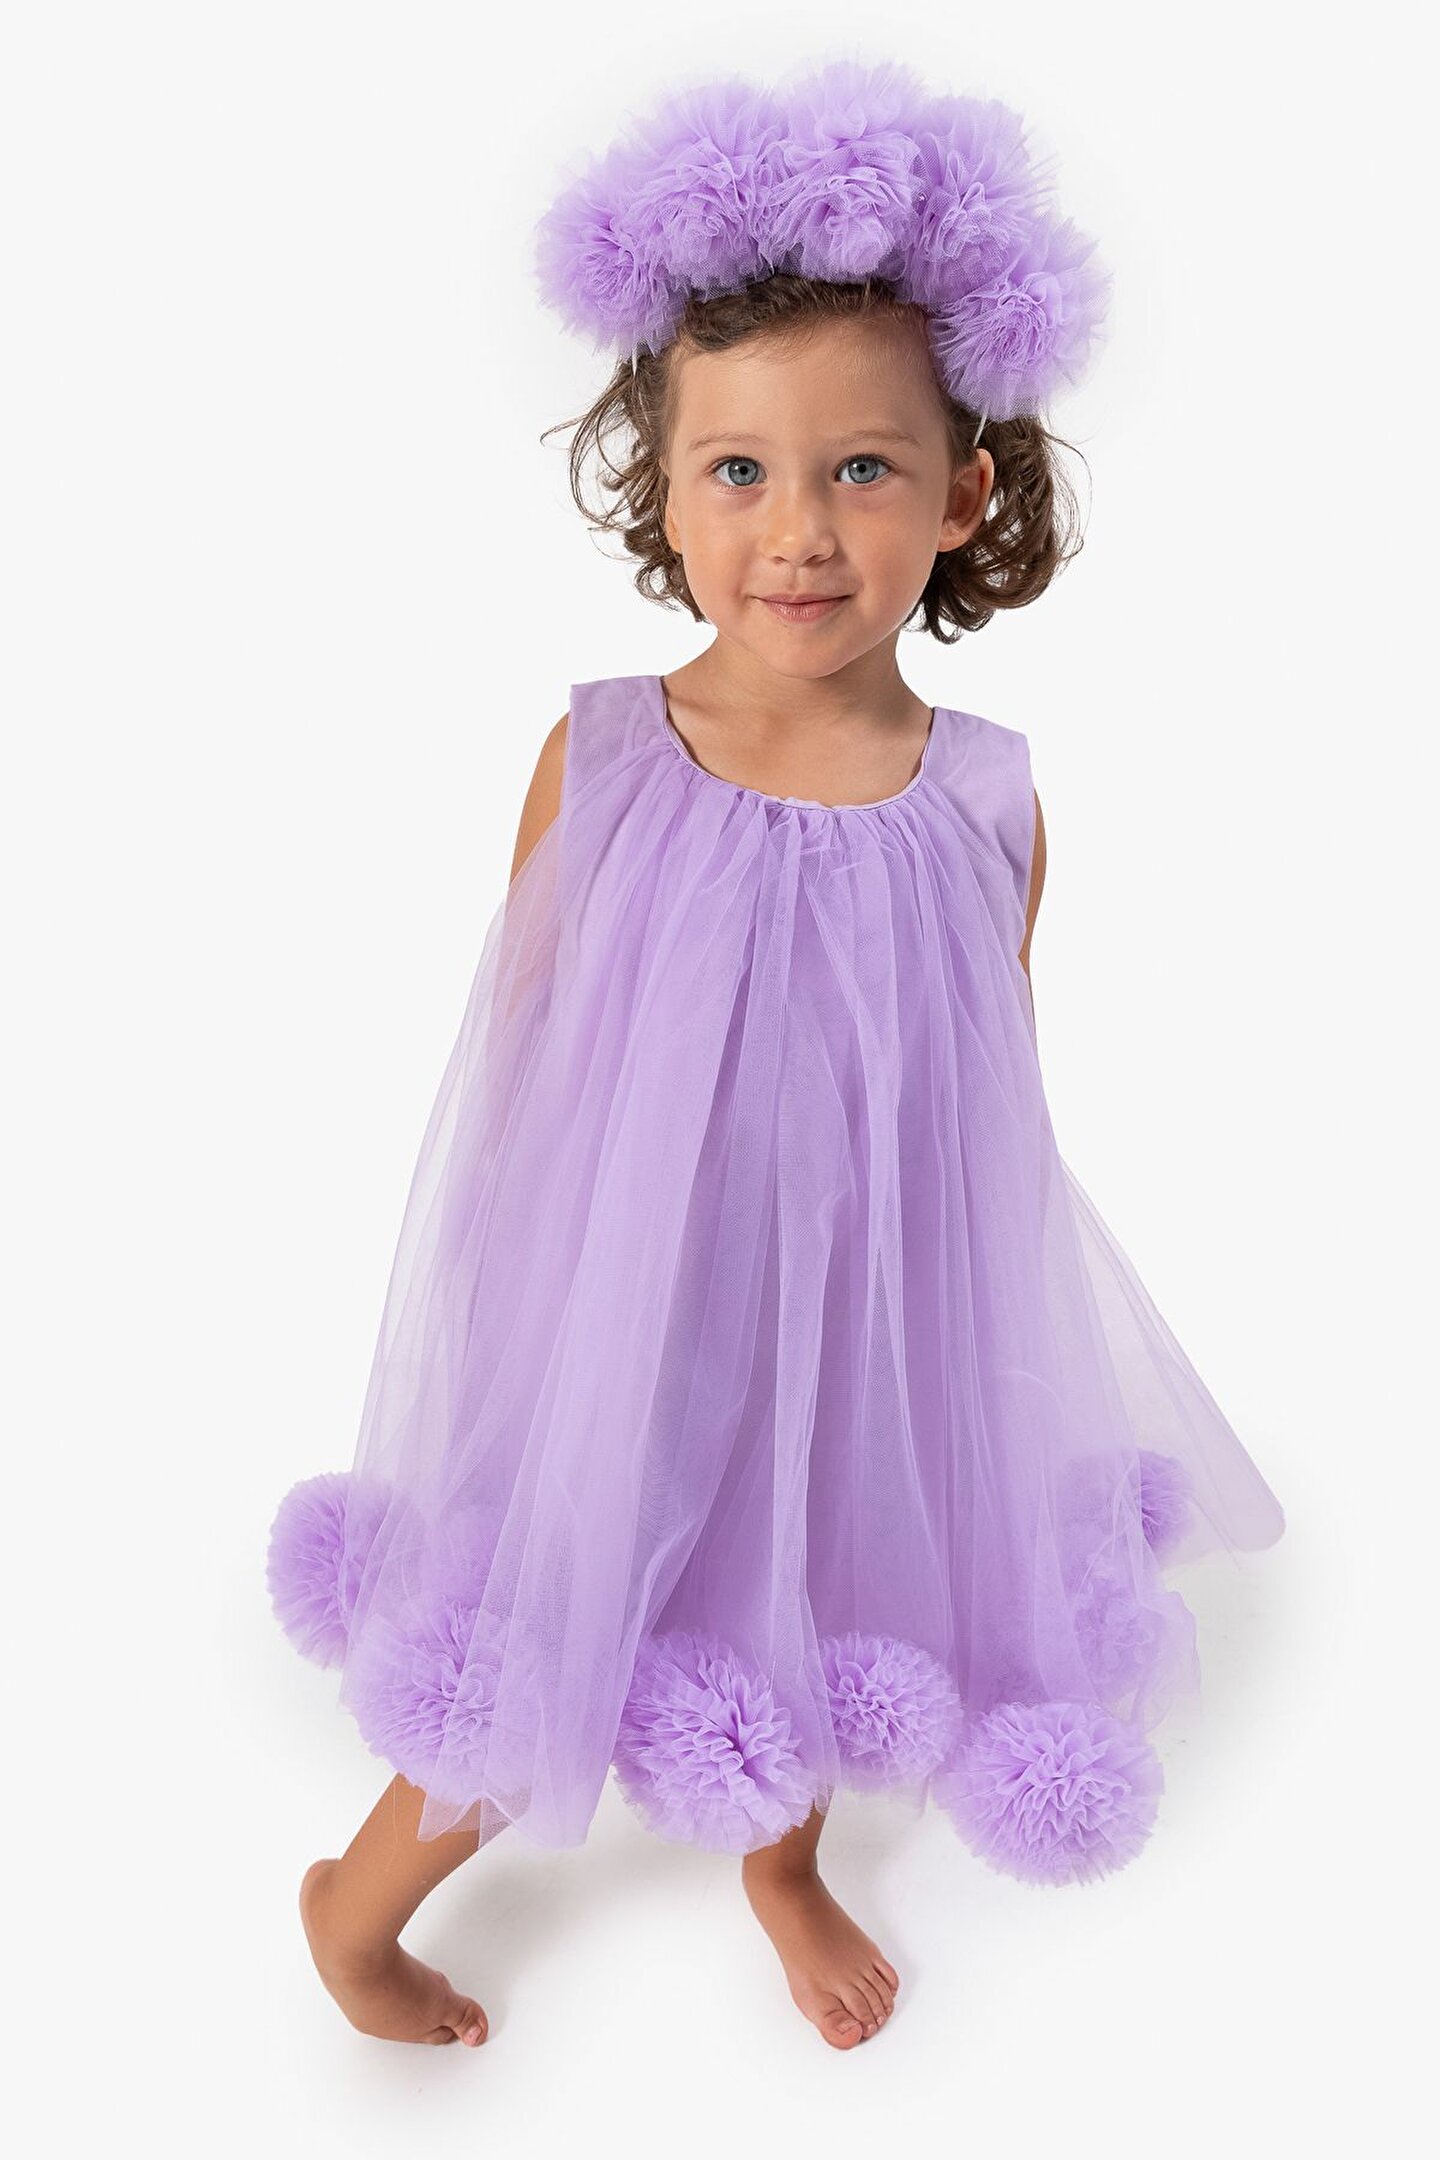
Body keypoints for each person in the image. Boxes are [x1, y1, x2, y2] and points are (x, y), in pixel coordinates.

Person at [270, 60, 1286, 2054]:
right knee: (560, 1617)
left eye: (863, 470)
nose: (799, 532)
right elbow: (522, 1050)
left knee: (827, 1576)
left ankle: (781, 1854)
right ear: (661, 486)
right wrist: (551, 1319)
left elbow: (981, 1080)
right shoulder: (609, 758)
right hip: (638, 1296)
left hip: (865, 1291)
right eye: (739, 469)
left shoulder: (983, 794)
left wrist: (912, 1310)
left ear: (964, 494)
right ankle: (358, 1911)